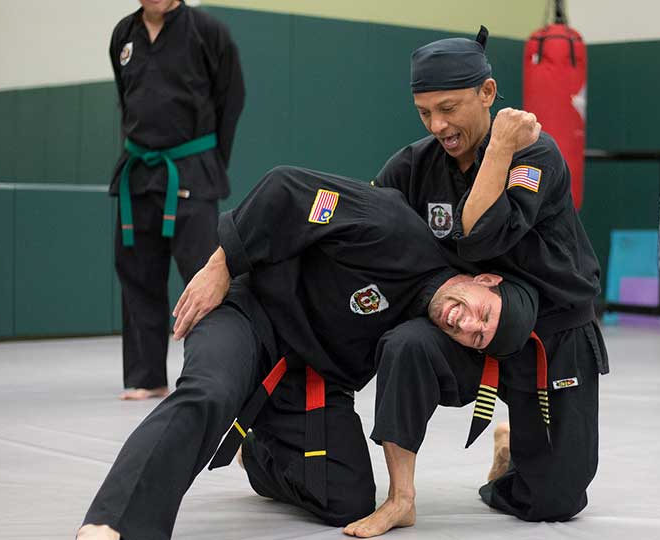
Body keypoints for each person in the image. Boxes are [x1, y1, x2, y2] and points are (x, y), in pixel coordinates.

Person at [77, 166, 539, 540]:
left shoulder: (424, 334)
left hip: (308, 379)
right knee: (211, 392)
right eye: (483, 313)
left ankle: (257, 456)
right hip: (248, 316)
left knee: (349, 499)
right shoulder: (394, 229)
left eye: (478, 336)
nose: (467, 323)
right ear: (484, 280)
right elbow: (286, 189)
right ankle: (114, 524)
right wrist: (222, 264)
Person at [343, 27, 609, 538]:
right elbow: (362, 225)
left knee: (554, 499)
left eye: (449, 107)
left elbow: (482, 235)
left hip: (551, 330)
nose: (438, 125)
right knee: (403, 345)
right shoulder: (414, 165)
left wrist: (500, 149)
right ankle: (401, 498)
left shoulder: (535, 154)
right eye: (425, 112)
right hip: (466, 324)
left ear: (487, 93)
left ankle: (511, 455)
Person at [109, 0, 245, 400]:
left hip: (191, 169)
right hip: (138, 171)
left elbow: (231, 101)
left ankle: (213, 372)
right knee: (137, 275)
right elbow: (126, 96)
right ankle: (147, 375)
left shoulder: (208, 32)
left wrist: (207, 162)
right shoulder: (123, 34)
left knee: (204, 277)